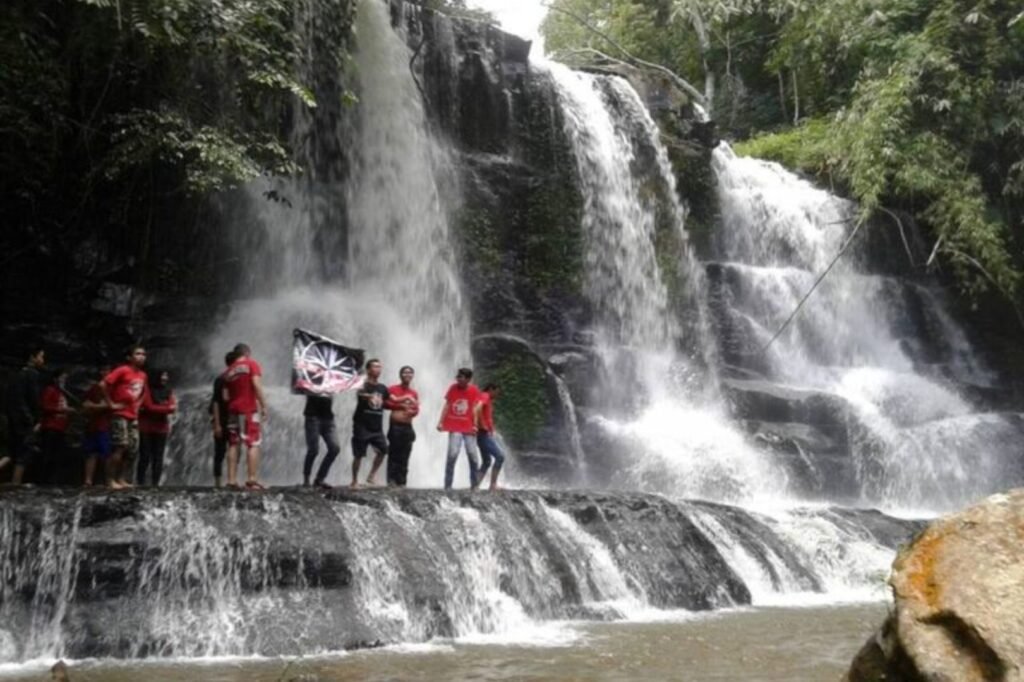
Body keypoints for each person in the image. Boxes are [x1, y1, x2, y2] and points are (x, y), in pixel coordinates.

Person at [102, 345, 149, 489]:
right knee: (120, 446)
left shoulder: (143, 375)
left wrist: (137, 405)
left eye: (143, 354)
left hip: (132, 416)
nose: (141, 356)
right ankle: (110, 480)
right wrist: (111, 404)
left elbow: (144, 392)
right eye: (137, 354)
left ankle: (121, 479)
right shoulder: (122, 370)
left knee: (132, 449)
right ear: (129, 357)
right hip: (119, 415)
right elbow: (103, 384)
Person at [223, 343, 267, 491]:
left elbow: (225, 396)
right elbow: (256, 384)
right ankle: (252, 479)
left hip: (232, 411)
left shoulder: (228, 371)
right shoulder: (251, 364)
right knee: (253, 442)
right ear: (247, 353)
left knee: (234, 443)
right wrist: (264, 405)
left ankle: (231, 480)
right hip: (248, 409)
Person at [3, 346, 45, 484]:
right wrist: (36, 420)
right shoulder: (32, 374)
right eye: (41, 356)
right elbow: (33, 399)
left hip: (13, 418)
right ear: (32, 357)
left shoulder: (15, 373)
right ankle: (16, 483)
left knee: (11, 452)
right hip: (26, 419)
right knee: (25, 452)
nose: (42, 360)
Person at [438, 367, 482, 490]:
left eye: (460, 377)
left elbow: (475, 408)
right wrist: (440, 422)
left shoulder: (474, 390)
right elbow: (447, 405)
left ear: (468, 379)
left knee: (472, 455)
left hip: (468, 427)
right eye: (457, 376)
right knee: (452, 454)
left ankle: (474, 484)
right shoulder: (453, 388)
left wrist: (475, 425)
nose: (458, 378)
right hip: (454, 425)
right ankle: (448, 485)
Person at [351, 358, 390, 488]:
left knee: (384, 450)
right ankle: (354, 481)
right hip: (362, 425)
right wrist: (370, 396)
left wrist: (405, 402)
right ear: (368, 369)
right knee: (359, 455)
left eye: (380, 367)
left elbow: (390, 401)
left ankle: (371, 475)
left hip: (376, 426)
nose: (378, 369)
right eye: (375, 367)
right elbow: (361, 394)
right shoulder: (362, 384)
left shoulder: (383, 387)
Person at [138, 370, 177, 486]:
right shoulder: (147, 390)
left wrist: (162, 408)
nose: (165, 378)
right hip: (146, 427)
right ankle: (141, 482)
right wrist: (166, 408)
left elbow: (173, 408)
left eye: (166, 375)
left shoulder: (168, 391)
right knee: (145, 455)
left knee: (158, 457)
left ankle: (155, 484)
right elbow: (149, 406)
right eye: (162, 375)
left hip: (161, 428)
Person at [385, 366, 419, 487]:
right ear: (400, 375)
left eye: (410, 373)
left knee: (405, 454)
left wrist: (413, 413)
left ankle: (402, 481)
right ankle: (391, 480)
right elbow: (386, 404)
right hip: (395, 426)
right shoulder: (392, 389)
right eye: (405, 372)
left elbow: (416, 409)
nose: (408, 375)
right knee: (394, 453)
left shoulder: (414, 393)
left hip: (408, 427)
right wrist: (401, 406)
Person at [39, 367, 73, 485]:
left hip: (60, 427)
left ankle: (53, 481)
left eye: (65, 378)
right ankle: (43, 481)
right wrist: (63, 409)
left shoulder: (62, 393)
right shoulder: (50, 390)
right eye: (62, 378)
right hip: (50, 426)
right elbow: (45, 407)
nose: (64, 380)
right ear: (55, 379)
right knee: (48, 455)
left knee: (57, 456)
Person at [210, 351, 237, 488]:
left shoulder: (237, 380)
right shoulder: (221, 379)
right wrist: (217, 424)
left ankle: (232, 479)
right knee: (219, 452)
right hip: (222, 419)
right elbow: (215, 402)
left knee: (234, 450)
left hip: (233, 420)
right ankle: (218, 482)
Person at [83, 365, 113, 487]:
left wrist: (94, 406)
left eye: (107, 370)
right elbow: (85, 404)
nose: (104, 372)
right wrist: (100, 406)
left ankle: (109, 480)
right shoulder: (95, 387)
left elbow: (111, 405)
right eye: (103, 370)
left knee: (106, 454)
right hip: (93, 425)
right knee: (91, 453)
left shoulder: (113, 388)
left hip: (107, 425)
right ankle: (88, 481)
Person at [303, 393, 341, 488]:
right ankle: (306, 479)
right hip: (312, 416)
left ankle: (319, 479)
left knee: (335, 448)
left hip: (328, 417)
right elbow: (299, 386)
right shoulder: (311, 378)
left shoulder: (332, 379)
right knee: (313, 450)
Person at [476, 383, 506, 491]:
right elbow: (478, 408)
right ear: (490, 389)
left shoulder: (486, 398)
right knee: (500, 456)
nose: (498, 394)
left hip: (482, 434)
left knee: (486, 461)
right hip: (483, 434)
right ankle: (493, 485)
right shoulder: (485, 396)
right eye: (497, 391)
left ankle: (475, 485)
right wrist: (481, 424)